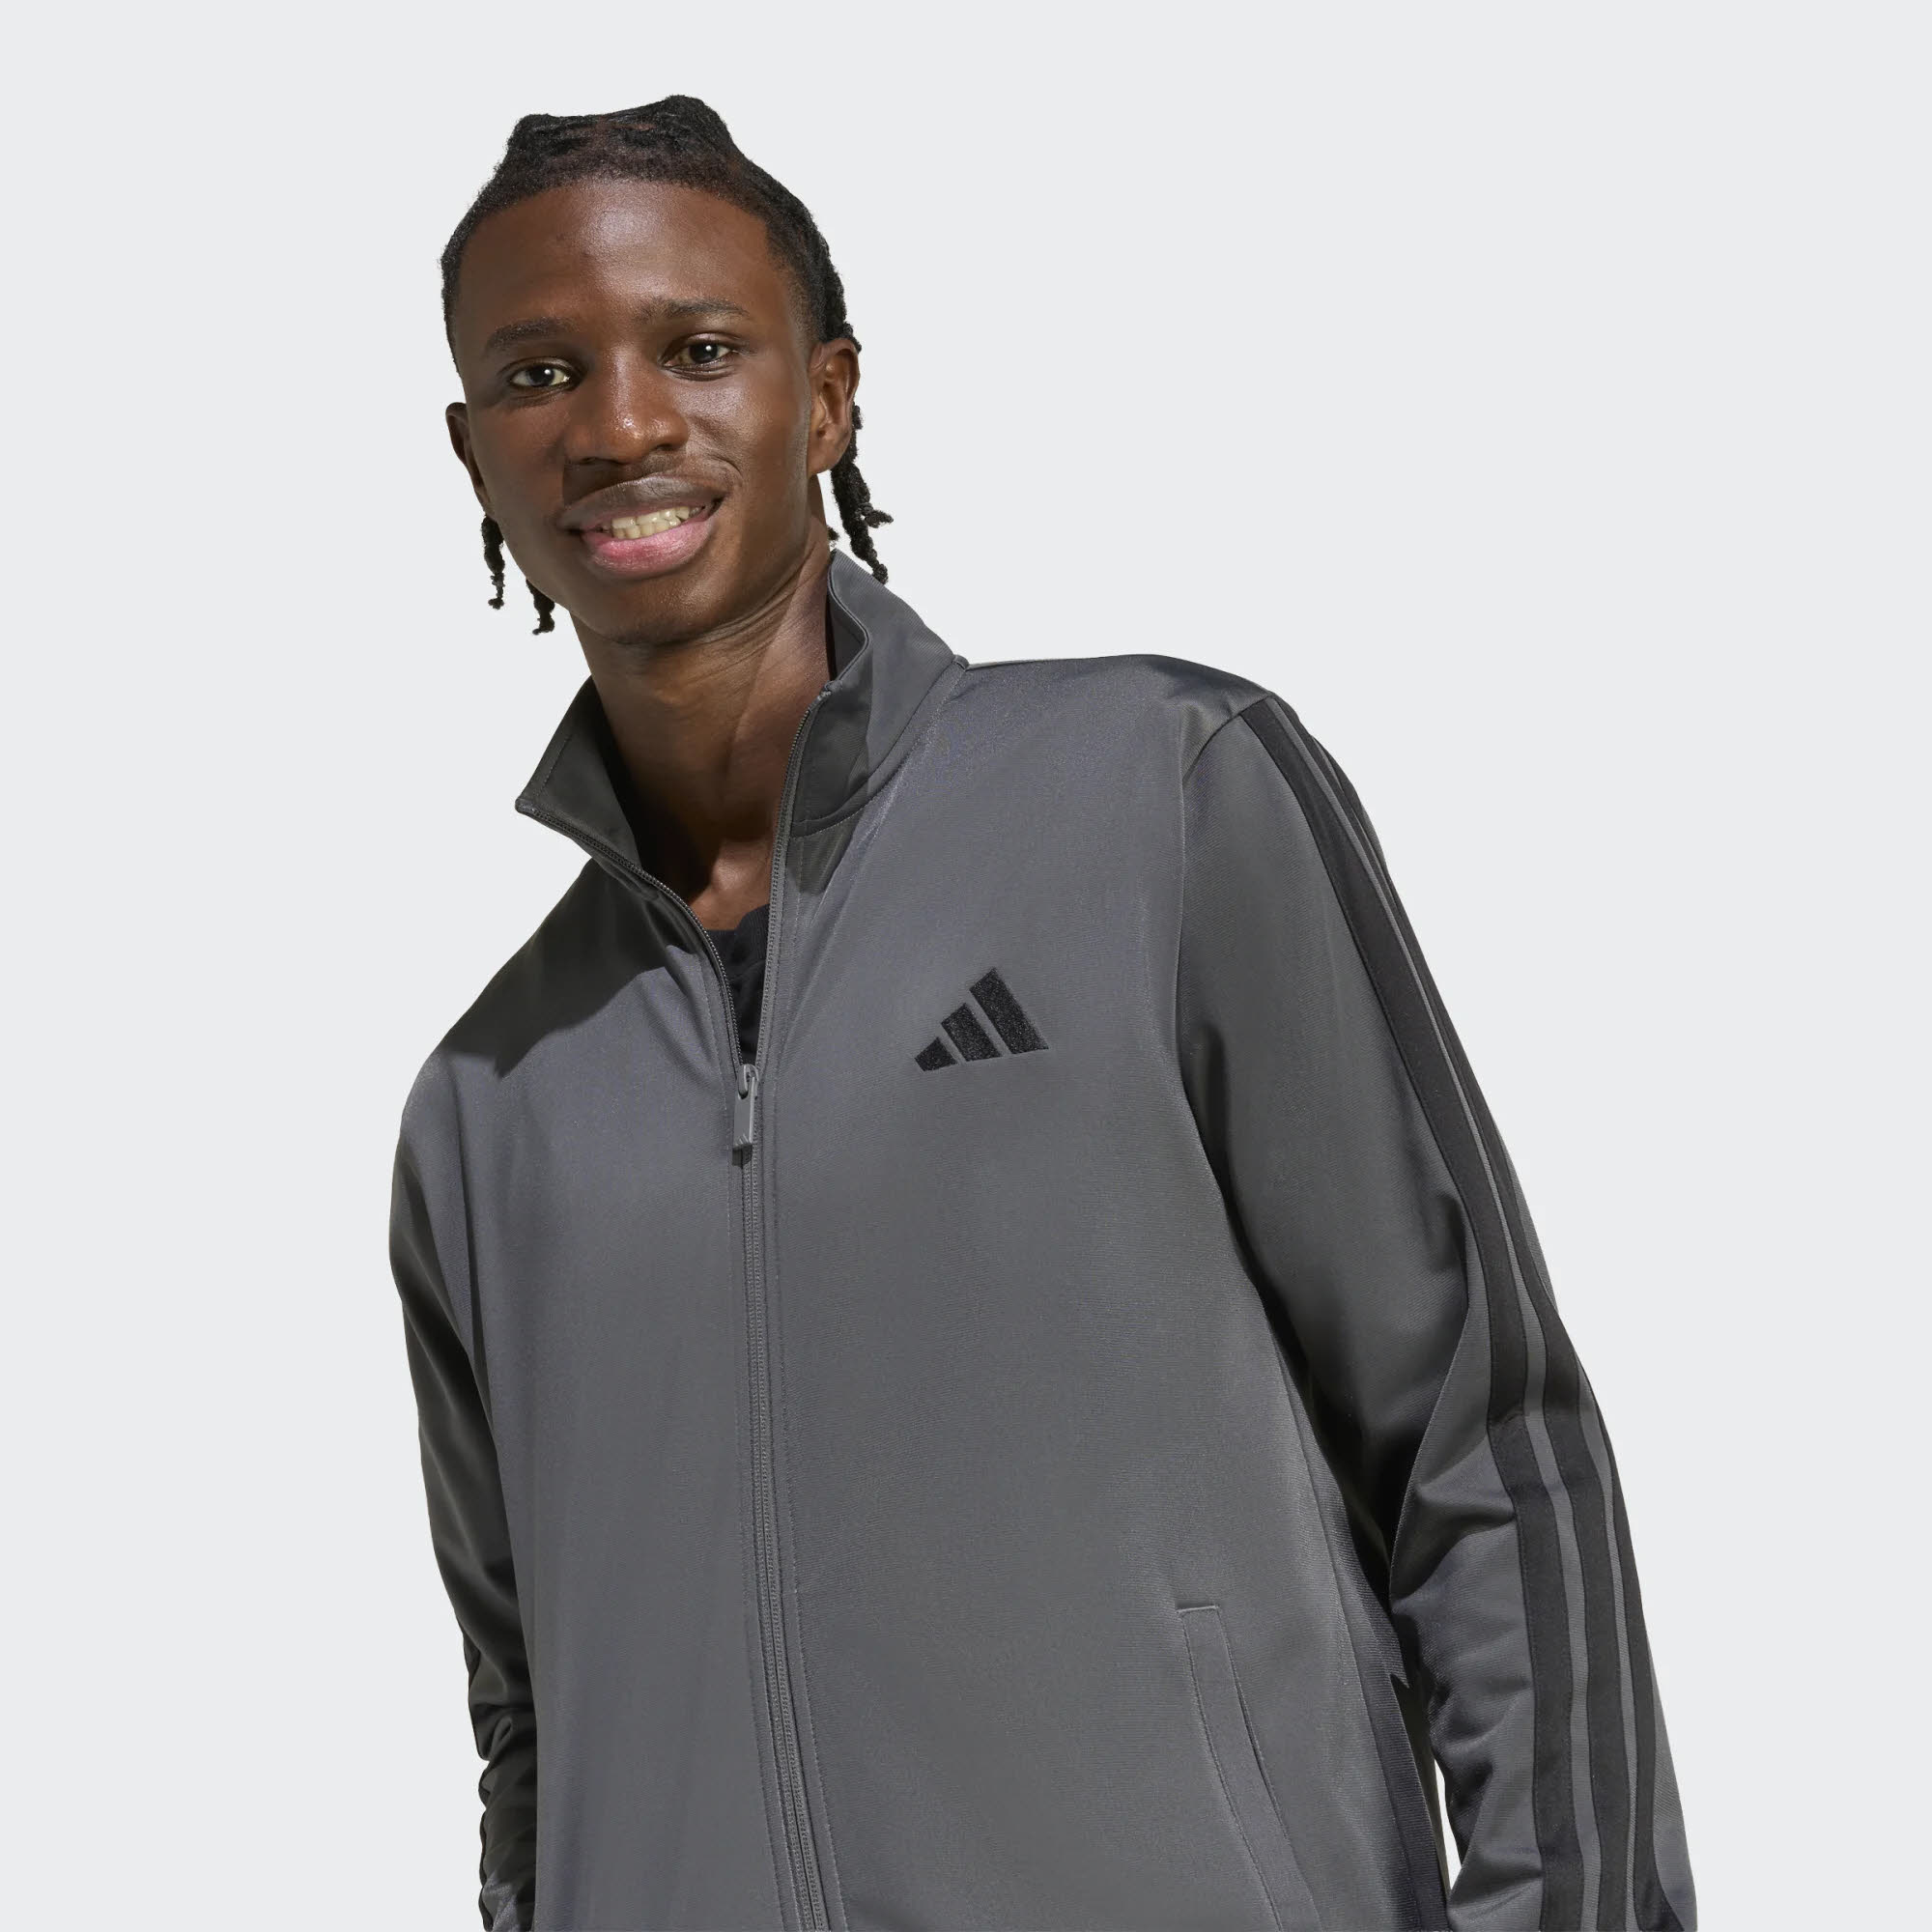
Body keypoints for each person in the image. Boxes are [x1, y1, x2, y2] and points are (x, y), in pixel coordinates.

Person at [390, 94, 1697, 1932]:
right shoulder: (491, 1099)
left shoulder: (1160, 794)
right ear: (473, 451)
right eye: (540, 373)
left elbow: (1484, 1445)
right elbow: (531, 1728)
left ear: (827, 399)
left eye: (698, 349)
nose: (619, 426)